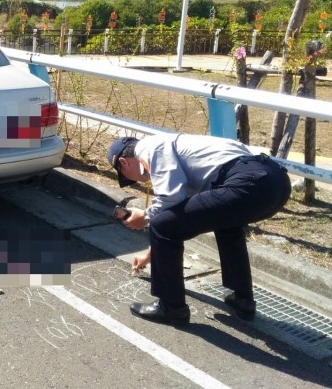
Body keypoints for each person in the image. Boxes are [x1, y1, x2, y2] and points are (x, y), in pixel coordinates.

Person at [107, 133, 291, 325]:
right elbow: (183, 212)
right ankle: (242, 299)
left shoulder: (150, 148)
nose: (136, 181)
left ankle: (171, 307)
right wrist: (152, 254)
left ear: (124, 162)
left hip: (247, 183)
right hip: (275, 182)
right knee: (226, 224)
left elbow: (170, 200)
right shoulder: (179, 146)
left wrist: (145, 217)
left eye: (126, 177)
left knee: (161, 225)